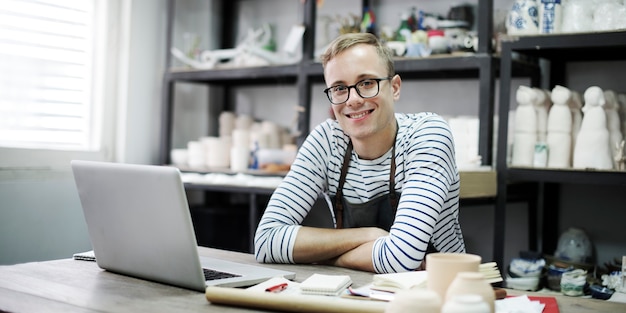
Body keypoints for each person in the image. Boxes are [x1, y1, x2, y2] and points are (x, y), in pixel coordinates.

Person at [254, 32, 465, 273]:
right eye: (340, 88)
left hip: (438, 293)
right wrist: (368, 235)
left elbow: (402, 258)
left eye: (366, 83)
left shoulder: (427, 135)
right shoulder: (327, 142)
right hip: (356, 289)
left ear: (394, 87)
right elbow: (265, 242)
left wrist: (323, 257)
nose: (352, 100)